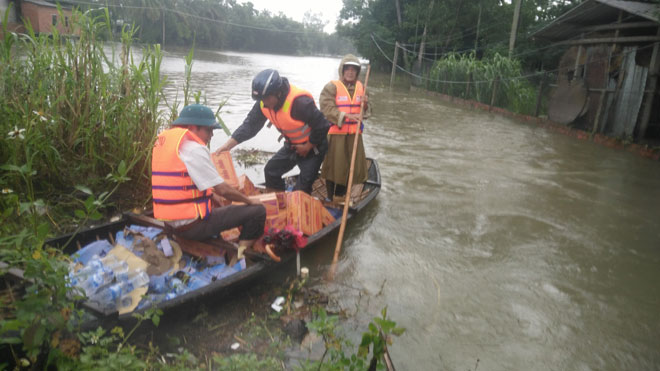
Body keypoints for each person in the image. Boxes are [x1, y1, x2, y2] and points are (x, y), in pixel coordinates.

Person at [152, 104, 266, 259]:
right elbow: (223, 190)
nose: (212, 135)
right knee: (257, 212)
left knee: (216, 201)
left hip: (170, 223)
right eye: (208, 130)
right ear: (193, 127)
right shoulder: (195, 149)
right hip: (191, 228)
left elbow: (182, 182)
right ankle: (241, 254)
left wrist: (210, 195)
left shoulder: (167, 146)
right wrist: (250, 201)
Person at [215, 69, 330, 194]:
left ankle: (299, 204)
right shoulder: (263, 103)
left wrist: (307, 146)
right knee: (271, 171)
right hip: (292, 146)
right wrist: (227, 146)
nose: (264, 102)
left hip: (314, 147)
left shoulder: (299, 103)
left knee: (301, 190)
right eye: (261, 99)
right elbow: (250, 126)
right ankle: (279, 203)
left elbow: (322, 125)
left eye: (267, 98)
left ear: (278, 92)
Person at [319, 54, 370, 202]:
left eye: (353, 70)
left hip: (354, 136)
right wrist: (345, 116)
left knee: (350, 168)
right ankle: (330, 198)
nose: (350, 72)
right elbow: (326, 108)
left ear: (357, 72)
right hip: (336, 135)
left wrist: (365, 105)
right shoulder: (331, 87)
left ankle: (340, 197)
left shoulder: (362, 87)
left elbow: (367, 111)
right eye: (347, 69)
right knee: (333, 168)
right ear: (342, 70)